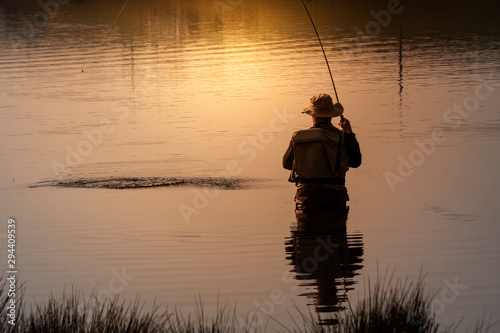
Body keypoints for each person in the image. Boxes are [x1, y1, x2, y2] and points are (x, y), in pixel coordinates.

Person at [283, 93, 361, 211]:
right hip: (335, 196)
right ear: (331, 115)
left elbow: (286, 164)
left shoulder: (298, 137)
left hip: (305, 197)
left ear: (313, 115)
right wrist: (349, 132)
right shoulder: (343, 137)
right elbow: (356, 162)